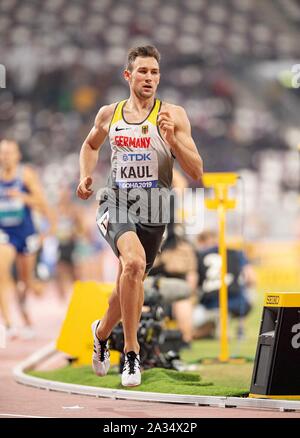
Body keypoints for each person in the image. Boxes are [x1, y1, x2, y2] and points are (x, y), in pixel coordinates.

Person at [77, 45, 203, 386]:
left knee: (130, 282)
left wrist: (172, 141)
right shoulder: (109, 114)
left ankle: (101, 333)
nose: (149, 78)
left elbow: (197, 171)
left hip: (155, 208)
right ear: (128, 75)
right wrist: (84, 176)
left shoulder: (173, 115)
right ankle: (131, 354)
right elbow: (90, 146)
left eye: (155, 72)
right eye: (143, 71)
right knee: (132, 264)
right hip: (117, 200)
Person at [0, 139, 55, 339]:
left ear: (17, 155)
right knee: (1, 269)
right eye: (2, 153)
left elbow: (42, 203)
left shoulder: (25, 175)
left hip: (26, 232)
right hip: (5, 233)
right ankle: (7, 322)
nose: (5, 156)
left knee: (25, 282)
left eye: (9, 153)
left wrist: (23, 197)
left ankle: (25, 317)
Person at [193, 230, 255, 340]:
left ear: (201, 241)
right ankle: (240, 327)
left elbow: (192, 283)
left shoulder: (198, 256)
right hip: (238, 303)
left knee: (194, 322)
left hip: (209, 305)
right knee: (249, 291)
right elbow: (251, 278)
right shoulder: (236, 253)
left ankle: (210, 329)